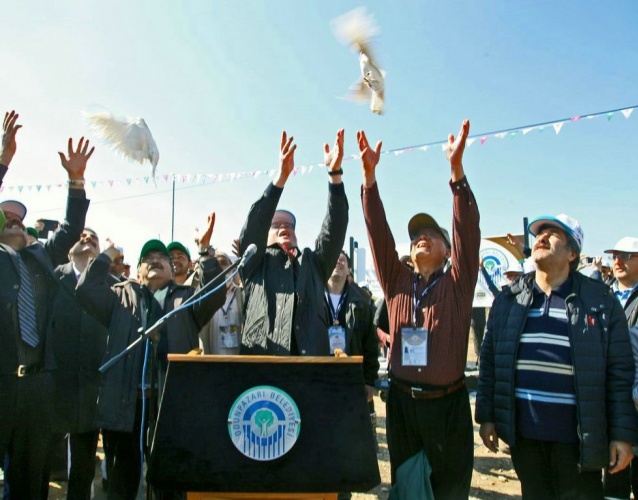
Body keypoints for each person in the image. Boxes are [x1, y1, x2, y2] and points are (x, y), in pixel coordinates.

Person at [476, 214, 638, 499]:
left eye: (553, 235)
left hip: (578, 441)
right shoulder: (510, 299)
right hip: (525, 437)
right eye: (539, 233)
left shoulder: (600, 302)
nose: (541, 238)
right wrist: (487, 416)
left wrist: (622, 435)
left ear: (572, 253)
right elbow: (490, 360)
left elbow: (619, 372)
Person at [359, 119, 480, 498]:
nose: (421, 239)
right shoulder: (396, 281)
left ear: (447, 250)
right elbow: (379, 235)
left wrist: (456, 174)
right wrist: (369, 179)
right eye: (415, 237)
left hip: (448, 407)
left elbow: (468, 232)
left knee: (448, 491)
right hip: (402, 407)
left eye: (431, 235)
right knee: (408, 489)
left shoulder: (458, 284)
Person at [76, 235, 226, 499]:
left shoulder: (189, 298)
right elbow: (85, 289)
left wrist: (205, 252)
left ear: (172, 269)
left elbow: (215, 294)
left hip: (172, 408)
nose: (155, 260)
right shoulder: (120, 296)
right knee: (122, 483)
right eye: (148, 258)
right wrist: (107, 254)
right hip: (126, 408)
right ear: (138, 269)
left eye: (161, 258)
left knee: (170, 485)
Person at [0, 110, 93, 498]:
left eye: (21, 219)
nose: (16, 222)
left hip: (39, 385)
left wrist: (76, 181)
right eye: (6, 218)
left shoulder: (41, 258)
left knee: (29, 481)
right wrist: (3, 160)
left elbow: (72, 230)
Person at [238, 129, 349, 355]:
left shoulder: (313, 263)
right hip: (262, 374)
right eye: (276, 225)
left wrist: (334, 175)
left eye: (289, 225)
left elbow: (334, 228)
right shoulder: (254, 263)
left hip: (308, 374)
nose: (284, 227)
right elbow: (253, 226)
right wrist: (280, 178)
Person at [50, 227, 115, 499]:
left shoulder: (113, 285)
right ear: (69, 248)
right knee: (40, 464)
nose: (87, 239)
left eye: (94, 238)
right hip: (52, 385)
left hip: (91, 389)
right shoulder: (53, 277)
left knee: (83, 467)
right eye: (82, 236)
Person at [602, 237, 638, 499]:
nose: (618, 261)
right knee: (613, 478)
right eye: (615, 255)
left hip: (635, 399)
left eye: (627, 256)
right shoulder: (600, 295)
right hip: (608, 401)